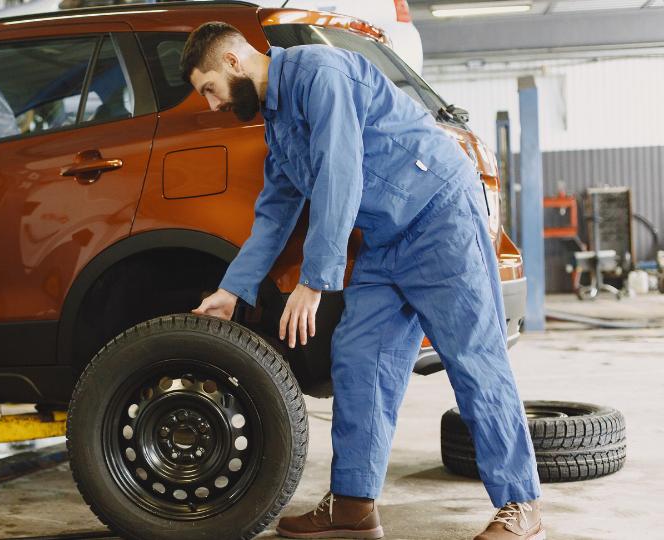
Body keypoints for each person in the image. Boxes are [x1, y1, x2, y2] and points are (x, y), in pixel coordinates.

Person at [182, 22, 544, 540]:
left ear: (235, 62)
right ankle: (353, 503)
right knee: (359, 358)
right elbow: (276, 210)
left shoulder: (320, 73)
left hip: (438, 216)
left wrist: (315, 279)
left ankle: (521, 506)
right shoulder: (277, 122)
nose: (213, 104)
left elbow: (340, 170)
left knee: (474, 357)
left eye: (209, 89)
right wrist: (232, 288)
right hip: (385, 238)